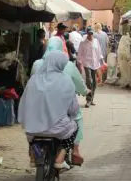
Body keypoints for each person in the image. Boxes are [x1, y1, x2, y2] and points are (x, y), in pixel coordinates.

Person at [31, 36, 88, 164]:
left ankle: (33, 154)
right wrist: (85, 91)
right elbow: (79, 85)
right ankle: (75, 151)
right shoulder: (68, 65)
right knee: (77, 118)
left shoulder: (36, 64)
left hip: (38, 112)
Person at [19, 51, 79, 169]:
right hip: (58, 129)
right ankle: (60, 158)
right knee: (74, 127)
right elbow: (73, 107)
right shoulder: (65, 80)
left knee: (31, 135)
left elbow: (24, 101)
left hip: (33, 129)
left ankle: (33, 155)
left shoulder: (33, 79)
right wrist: (72, 115)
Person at [77, 27, 104, 108]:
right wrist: (79, 63)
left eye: (92, 33)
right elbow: (80, 54)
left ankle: (92, 98)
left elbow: (99, 52)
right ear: (87, 34)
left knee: (94, 82)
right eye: (89, 33)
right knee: (89, 81)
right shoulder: (83, 43)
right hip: (87, 64)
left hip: (95, 64)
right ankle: (88, 100)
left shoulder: (96, 41)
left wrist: (102, 60)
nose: (90, 35)